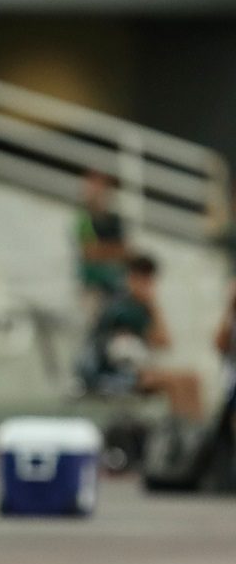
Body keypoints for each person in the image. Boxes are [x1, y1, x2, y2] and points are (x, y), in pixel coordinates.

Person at [80, 254, 203, 421]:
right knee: (175, 382)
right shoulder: (122, 308)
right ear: (131, 278)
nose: (148, 286)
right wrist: (153, 305)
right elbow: (160, 341)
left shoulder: (136, 306)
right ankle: (181, 430)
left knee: (191, 379)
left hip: (127, 370)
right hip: (108, 375)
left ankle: (193, 428)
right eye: (143, 280)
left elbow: (163, 342)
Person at [75, 170, 128, 305]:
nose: (99, 192)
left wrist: (103, 250)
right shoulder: (84, 218)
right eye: (94, 187)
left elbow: (125, 251)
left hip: (114, 283)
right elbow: (89, 252)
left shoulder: (115, 220)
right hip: (93, 285)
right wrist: (113, 251)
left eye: (102, 188)